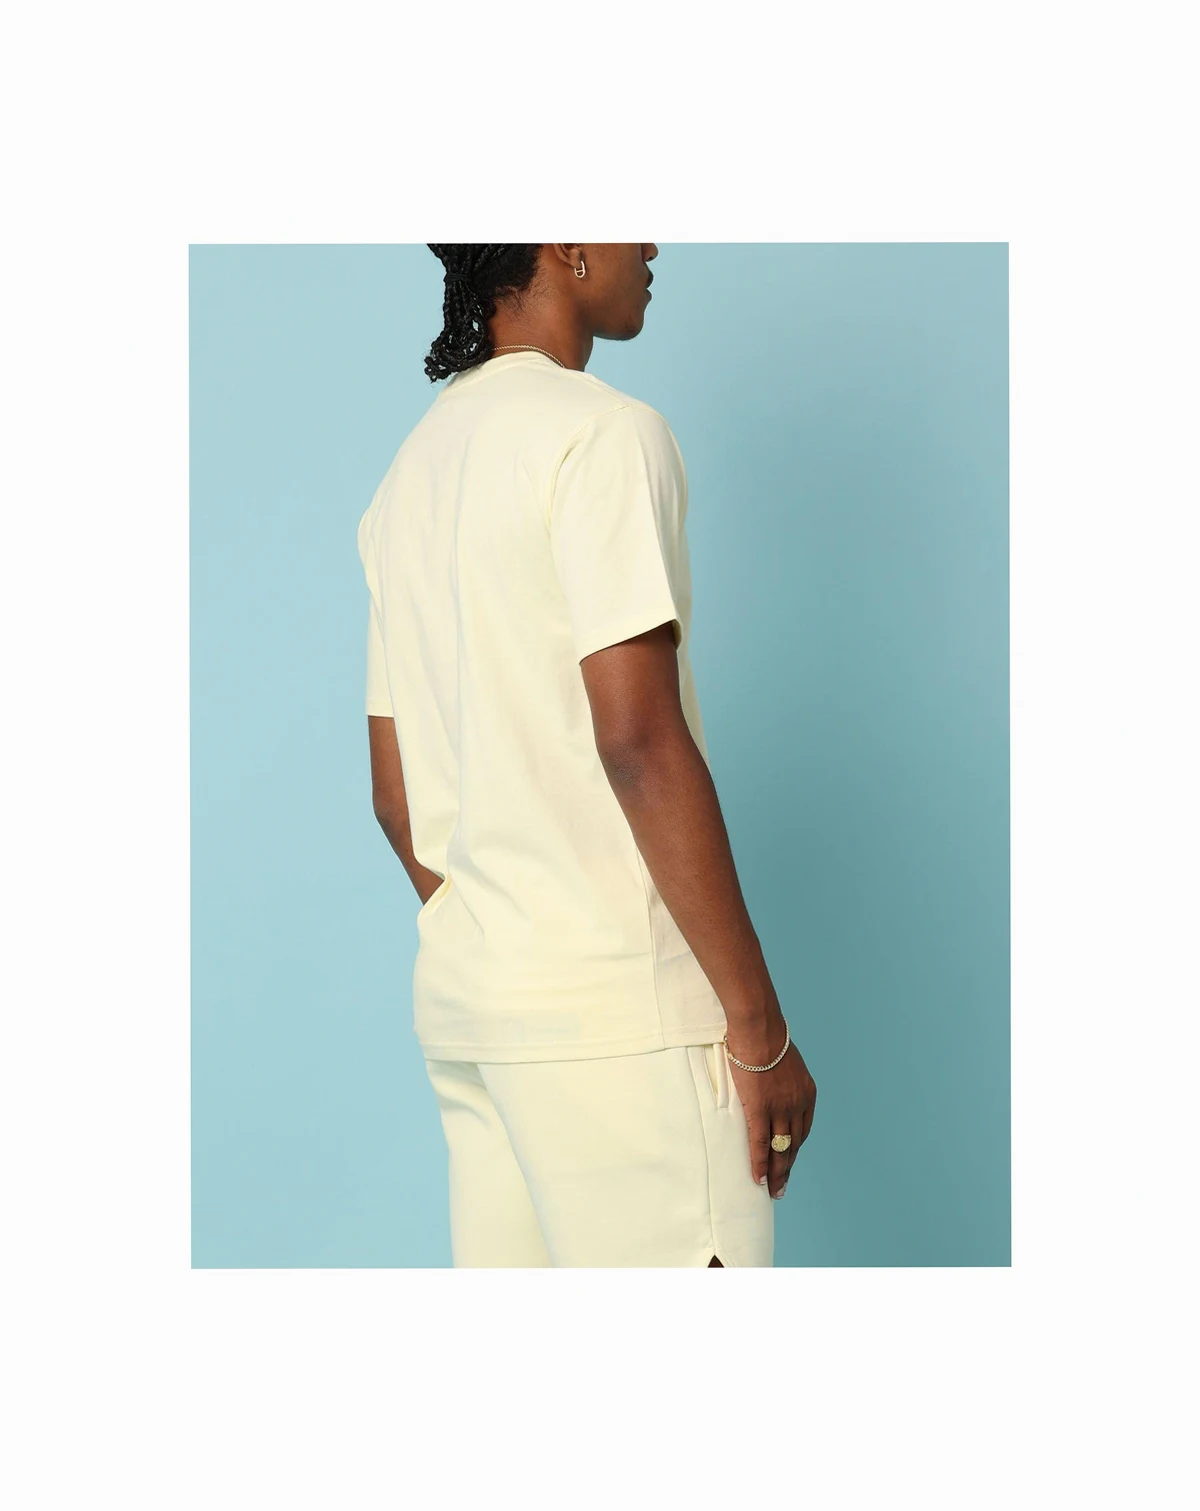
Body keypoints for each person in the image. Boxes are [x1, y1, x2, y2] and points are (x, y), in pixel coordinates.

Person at [356, 243, 817, 1267]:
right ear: (564, 239)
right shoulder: (601, 434)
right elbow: (639, 740)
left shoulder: (409, 476)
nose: (650, 244)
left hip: (478, 1021)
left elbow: (397, 796)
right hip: (623, 1029)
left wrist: (512, 933)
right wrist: (760, 1029)